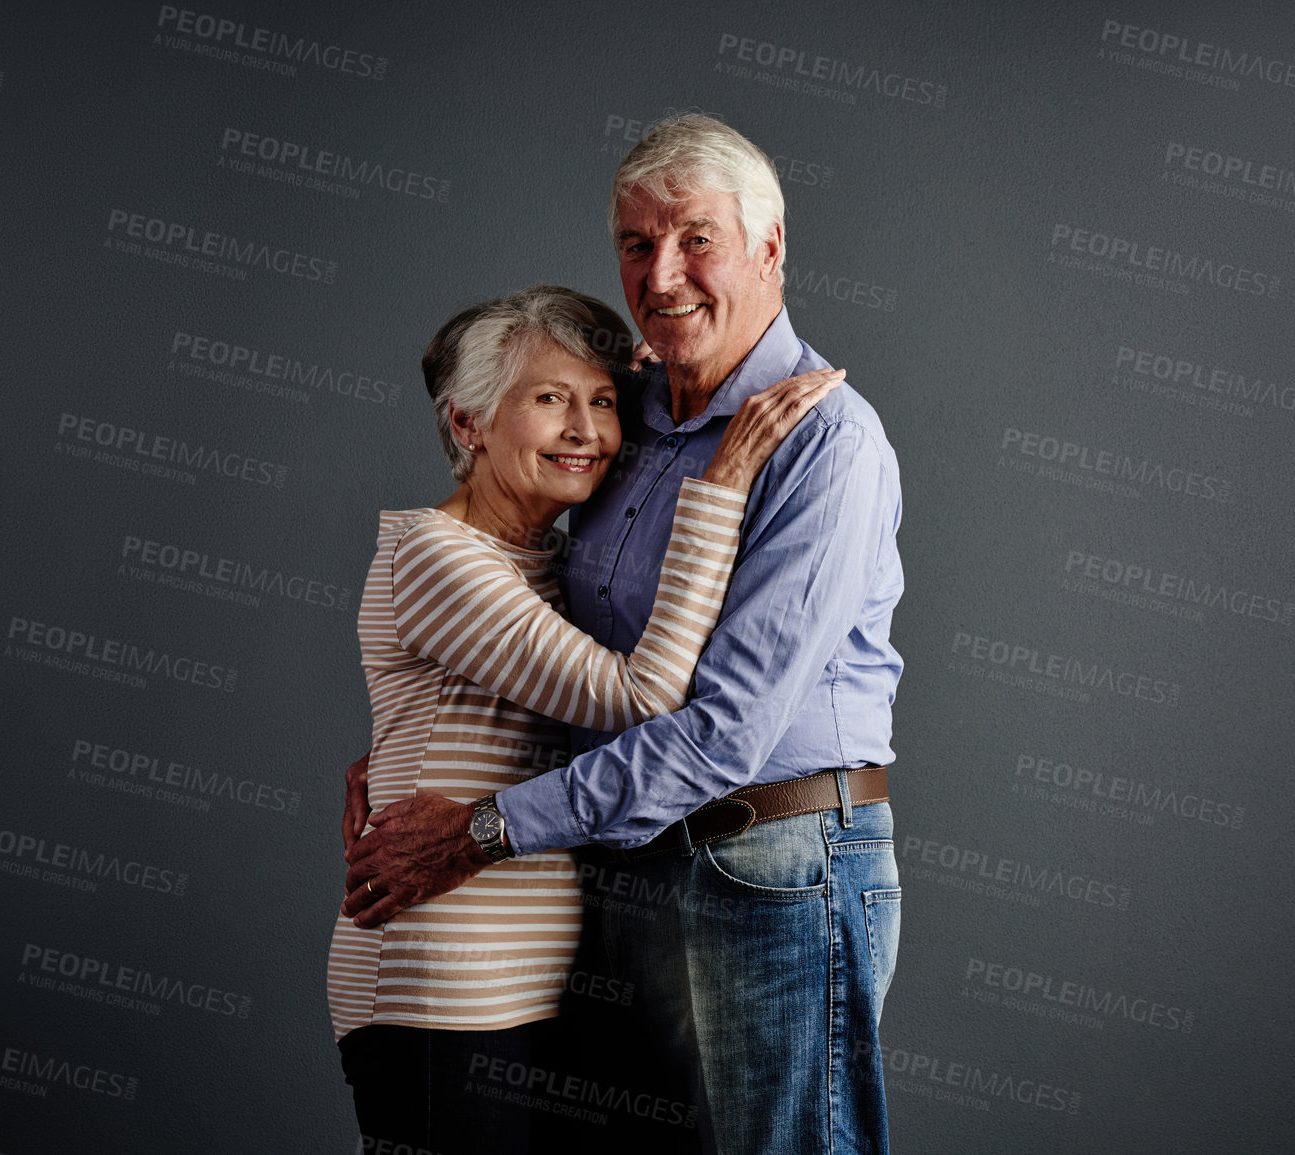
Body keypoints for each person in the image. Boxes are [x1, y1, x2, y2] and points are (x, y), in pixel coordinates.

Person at [343, 115, 906, 1153]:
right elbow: (521, 603)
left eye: (697, 238)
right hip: (617, 861)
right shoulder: (625, 413)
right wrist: (405, 751)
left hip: (769, 864)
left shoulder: (826, 443)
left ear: (770, 247)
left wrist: (479, 826)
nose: (663, 273)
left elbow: (718, 731)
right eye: (637, 244)